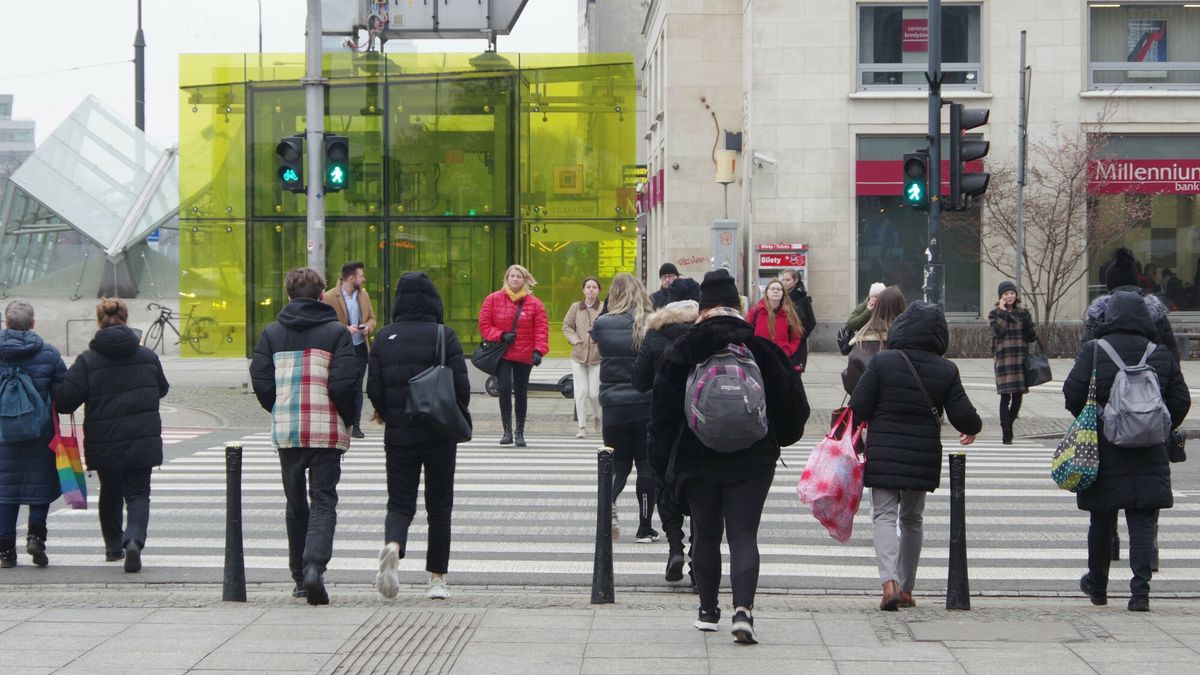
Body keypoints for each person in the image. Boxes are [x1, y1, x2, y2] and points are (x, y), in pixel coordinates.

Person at [649, 270, 809, 644]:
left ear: (702, 310)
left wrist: (665, 470)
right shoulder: (763, 348)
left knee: (705, 533)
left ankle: (707, 611)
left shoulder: (682, 351)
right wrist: (775, 439)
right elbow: (795, 412)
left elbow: (660, 418)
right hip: (753, 460)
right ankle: (743, 611)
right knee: (743, 534)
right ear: (738, 307)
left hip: (696, 459)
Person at [849, 301, 982, 612]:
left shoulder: (883, 362)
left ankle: (889, 583)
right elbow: (965, 415)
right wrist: (972, 429)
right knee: (912, 519)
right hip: (921, 453)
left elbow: (860, 405)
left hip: (883, 449)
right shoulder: (946, 369)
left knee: (884, 515)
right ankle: (907, 589)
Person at [1066, 291, 1190, 612]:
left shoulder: (1094, 351)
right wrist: (1154, 424)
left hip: (1105, 449)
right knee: (1143, 520)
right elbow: (1180, 401)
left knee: (1101, 519)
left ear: (1109, 317)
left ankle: (1098, 586)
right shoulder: (1160, 354)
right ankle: (1140, 593)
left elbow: (1072, 394)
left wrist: (1098, 418)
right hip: (1149, 450)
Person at [250, 268, 358, 605]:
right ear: (322, 294)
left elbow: (262, 381)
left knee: (296, 505)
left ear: (288, 295)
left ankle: (298, 577)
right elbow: (344, 383)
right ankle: (314, 567)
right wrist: (348, 419)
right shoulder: (337, 333)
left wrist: (281, 407)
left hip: (288, 430)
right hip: (325, 430)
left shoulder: (271, 334)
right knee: (324, 501)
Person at [367, 272, 470, 601]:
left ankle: (394, 544)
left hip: (400, 433)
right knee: (439, 507)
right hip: (439, 433)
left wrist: (391, 414)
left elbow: (374, 389)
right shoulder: (445, 335)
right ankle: (437, 580)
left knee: (399, 502)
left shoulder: (383, 337)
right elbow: (462, 389)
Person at [54, 299, 169, 573]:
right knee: (139, 493)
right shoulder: (147, 356)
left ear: (99, 322)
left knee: (111, 492)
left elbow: (65, 401)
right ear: (126, 320)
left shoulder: (88, 360)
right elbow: (162, 389)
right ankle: (134, 540)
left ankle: (113, 547)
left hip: (104, 440)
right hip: (143, 438)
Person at [633, 276, 699, 582]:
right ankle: (698, 555)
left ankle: (675, 546)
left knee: (663, 483)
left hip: (664, 421)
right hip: (701, 422)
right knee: (704, 489)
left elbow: (640, 380)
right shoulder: (706, 331)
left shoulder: (655, 332)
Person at [0, 300, 66, 568]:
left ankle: (5, 552)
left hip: (3, 435)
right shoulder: (49, 354)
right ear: (33, 324)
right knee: (39, 487)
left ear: (6, 323)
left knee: (5, 491)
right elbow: (64, 395)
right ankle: (36, 538)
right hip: (40, 434)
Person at [592, 273, 658, 543]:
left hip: (613, 403)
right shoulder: (648, 323)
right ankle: (645, 527)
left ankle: (608, 506)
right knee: (645, 465)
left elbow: (598, 350)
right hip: (645, 402)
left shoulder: (602, 323)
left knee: (618, 463)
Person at [478, 264, 550, 447]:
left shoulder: (535, 304)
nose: (515, 279)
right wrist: (500, 335)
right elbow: (484, 325)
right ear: (506, 278)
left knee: (521, 392)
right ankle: (507, 431)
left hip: (525, 354)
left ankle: (519, 432)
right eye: (512, 276)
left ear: (525, 280)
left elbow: (541, 329)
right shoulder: (493, 299)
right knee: (503, 389)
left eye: (519, 276)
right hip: (503, 352)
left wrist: (539, 350)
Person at [1085, 248, 1179, 360]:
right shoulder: (1157, 314)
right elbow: (1172, 356)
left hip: (1107, 377)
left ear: (1109, 284)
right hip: (1152, 376)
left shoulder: (1098, 314)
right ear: (1136, 281)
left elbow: (1084, 358)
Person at [322, 262, 377, 439]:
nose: (364, 279)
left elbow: (372, 318)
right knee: (338, 385)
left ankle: (356, 424)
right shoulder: (330, 296)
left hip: (360, 348)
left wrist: (367, 328)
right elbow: (325, 323)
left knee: (357, 387)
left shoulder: (364, 296)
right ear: (351, 278)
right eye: (361, 276)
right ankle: (338, 421)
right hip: (340, 348)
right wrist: (346, 330)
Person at [988, 281, 1038, 445]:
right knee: (1004, 397)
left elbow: (1031, 336)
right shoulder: (994, 313)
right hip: (1004, 359)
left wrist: (1030, 327)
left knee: (1018, 397)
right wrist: (1002, 312)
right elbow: (999, 332)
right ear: (1000, 297)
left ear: (1016, 295)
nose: (1009, 296)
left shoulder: (1023, 313)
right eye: (1006, 294)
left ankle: (1008, 425)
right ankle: (1006, 432)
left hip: (1019, 358)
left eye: (1011, 293)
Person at [842, 286, 906, 396]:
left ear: (878, 308)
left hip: (873, 410)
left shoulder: (861, 346)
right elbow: (852, 323)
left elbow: (852, 386)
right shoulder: (913, 342)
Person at [562, 277, 603, 438]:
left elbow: (607, 328)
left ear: (599, 290)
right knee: (581, 392)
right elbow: (566, 326)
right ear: (583, 290)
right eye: (588, 287)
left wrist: (599, 340)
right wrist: (575, 340)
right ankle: (582, 427)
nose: (591, 289)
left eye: (594, 287)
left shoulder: (603, 308)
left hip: (597, 356)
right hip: (578, 355)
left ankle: (597, 416)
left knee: (594, 393)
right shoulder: (575, 307)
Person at [745, 280, 804, 365]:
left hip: (780, 359)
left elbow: (796, 337)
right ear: (766, 293)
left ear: (783, 293)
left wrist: (788, 350)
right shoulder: (756, 311)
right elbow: (745, 332)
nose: (775, 291)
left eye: (779, 289)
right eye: (772, 288)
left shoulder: (789, 313)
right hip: (759, 358)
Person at [779, 269, 817, 371]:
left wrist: (800, 335)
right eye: (783, 280)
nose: (785, 282)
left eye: (788, 280)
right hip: (781, 342)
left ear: (795, 281)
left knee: (795, 376)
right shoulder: (779, 296)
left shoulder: (803, 298)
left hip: (797, 345)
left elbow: (811, 321)